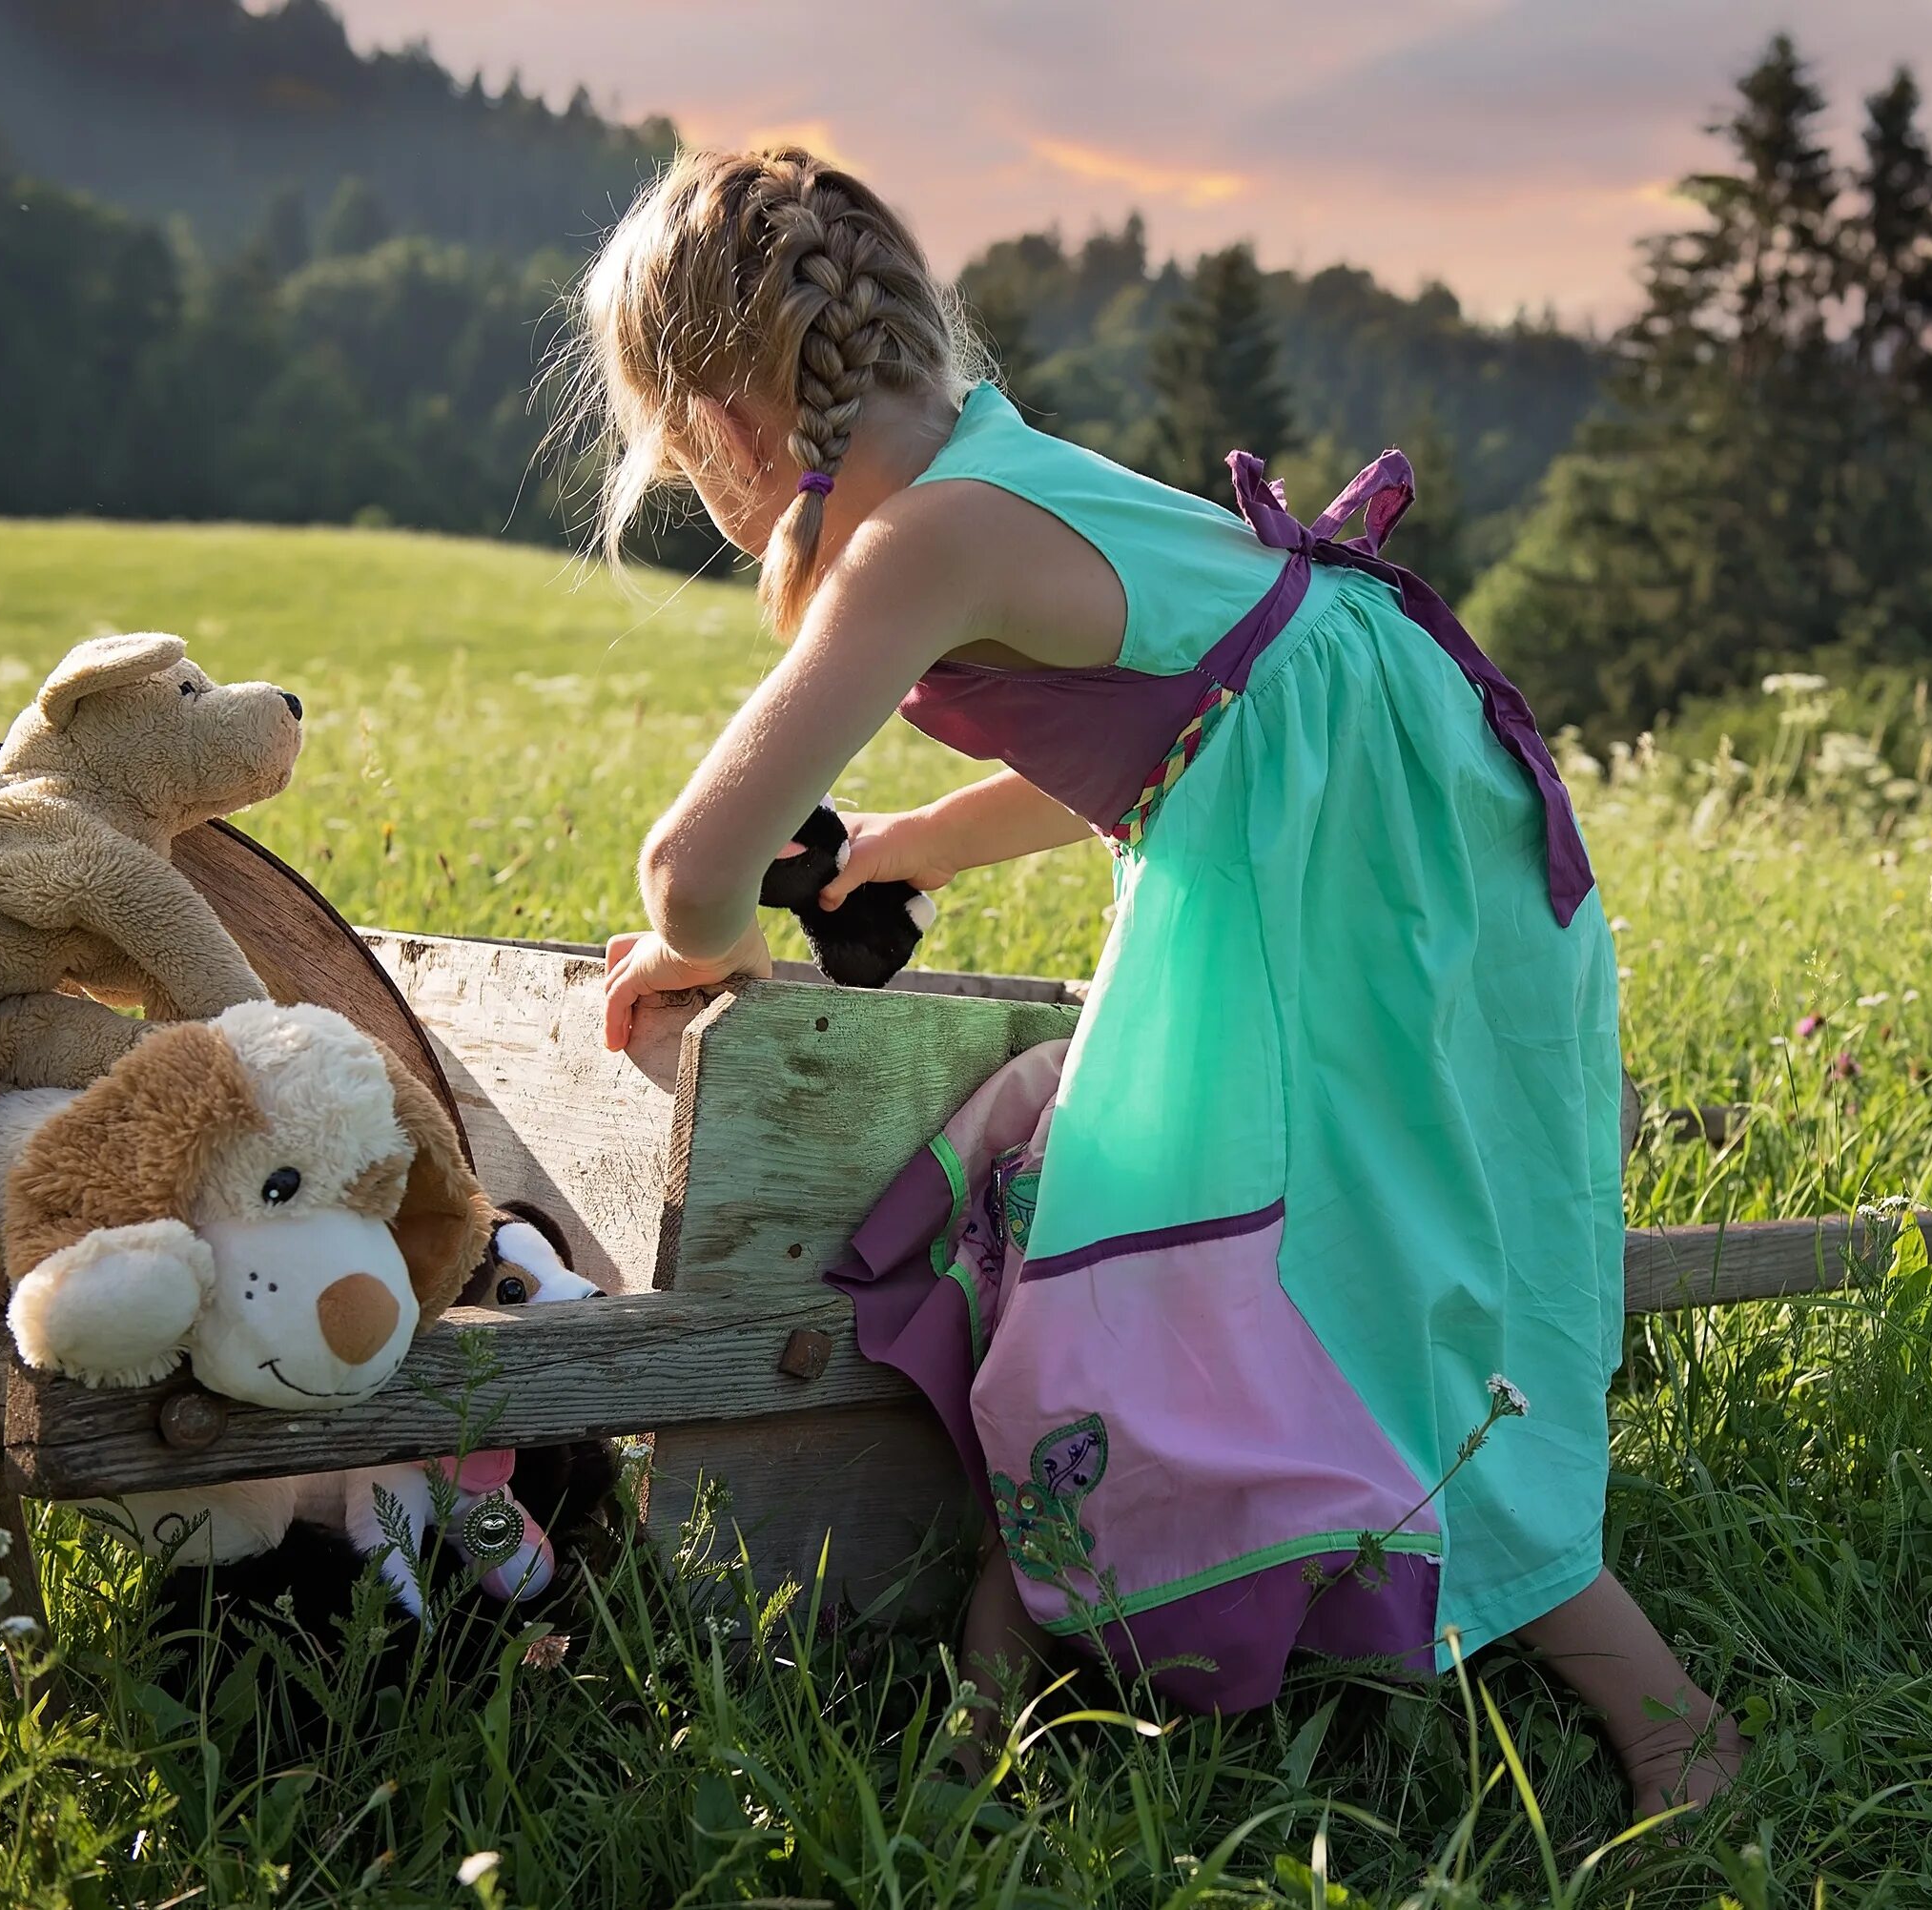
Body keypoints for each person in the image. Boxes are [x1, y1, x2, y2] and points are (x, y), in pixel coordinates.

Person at [573, 147, 1742, 1821]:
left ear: (734, 423)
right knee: (1096, 1210)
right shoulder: (1007, 477)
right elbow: (1194, 711)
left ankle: (1676, 1734)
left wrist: (707, 946)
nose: (703, 495)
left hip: (1345, 894)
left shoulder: (926, 538)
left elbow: (692, 869)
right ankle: (1007, 1689)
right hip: (1407, 858)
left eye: (684, 461)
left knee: (1347, 1293)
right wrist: (914, 846)